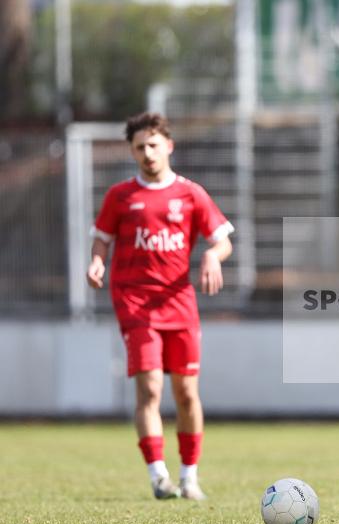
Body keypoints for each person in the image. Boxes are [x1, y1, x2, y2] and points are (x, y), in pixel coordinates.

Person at [87, 112, 234, 499]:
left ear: (168, 146)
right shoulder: (120, 197)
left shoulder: (191, 193)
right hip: (135, 303)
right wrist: (97, 260)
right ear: (132, 152)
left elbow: (222, 239)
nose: (148, 153)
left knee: (186, 393)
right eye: (140, 147)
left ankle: (189, 477)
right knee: (150, 389)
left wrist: (212, 257)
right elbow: (101, 238)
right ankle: (158, 476)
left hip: (179, 303)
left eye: (153, 145)